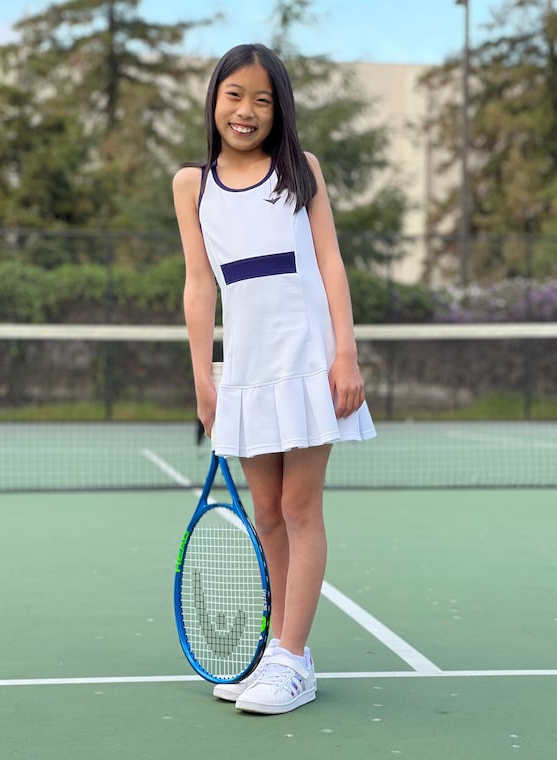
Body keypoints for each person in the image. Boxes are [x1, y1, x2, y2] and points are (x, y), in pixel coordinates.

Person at [172, 43, 376, 715]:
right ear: (214, 100)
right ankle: (282, 654)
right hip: (248, 370)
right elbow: (199, 285)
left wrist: (344, 353)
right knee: (266, 514)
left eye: (262, 99)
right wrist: (202, 378)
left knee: (298, 508)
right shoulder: (190, 185)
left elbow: (331, 264)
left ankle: (290, 659)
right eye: (235, 95)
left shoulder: (301, 170)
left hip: (309, 361)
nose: (247, 110)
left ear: (278, 109)